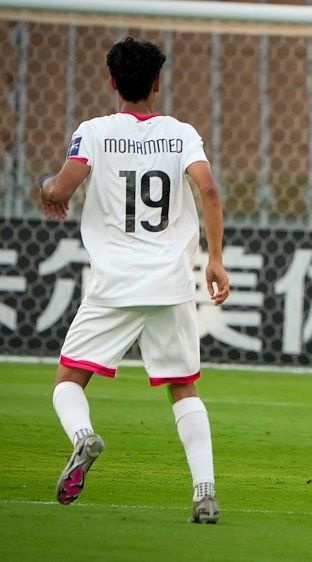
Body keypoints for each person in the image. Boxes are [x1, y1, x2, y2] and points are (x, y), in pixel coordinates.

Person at [38, 38, 229, 523]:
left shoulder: (94, 132)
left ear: (112, 81)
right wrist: (215, 260)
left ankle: (84, 437)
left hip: (115, 282)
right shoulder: (181, 134)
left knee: (68, 380)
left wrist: (47, 189)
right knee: (183, 389)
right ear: (157, 83)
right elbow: (208, 188)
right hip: (170, 282)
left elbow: (63, 187)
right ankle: (205, 492)